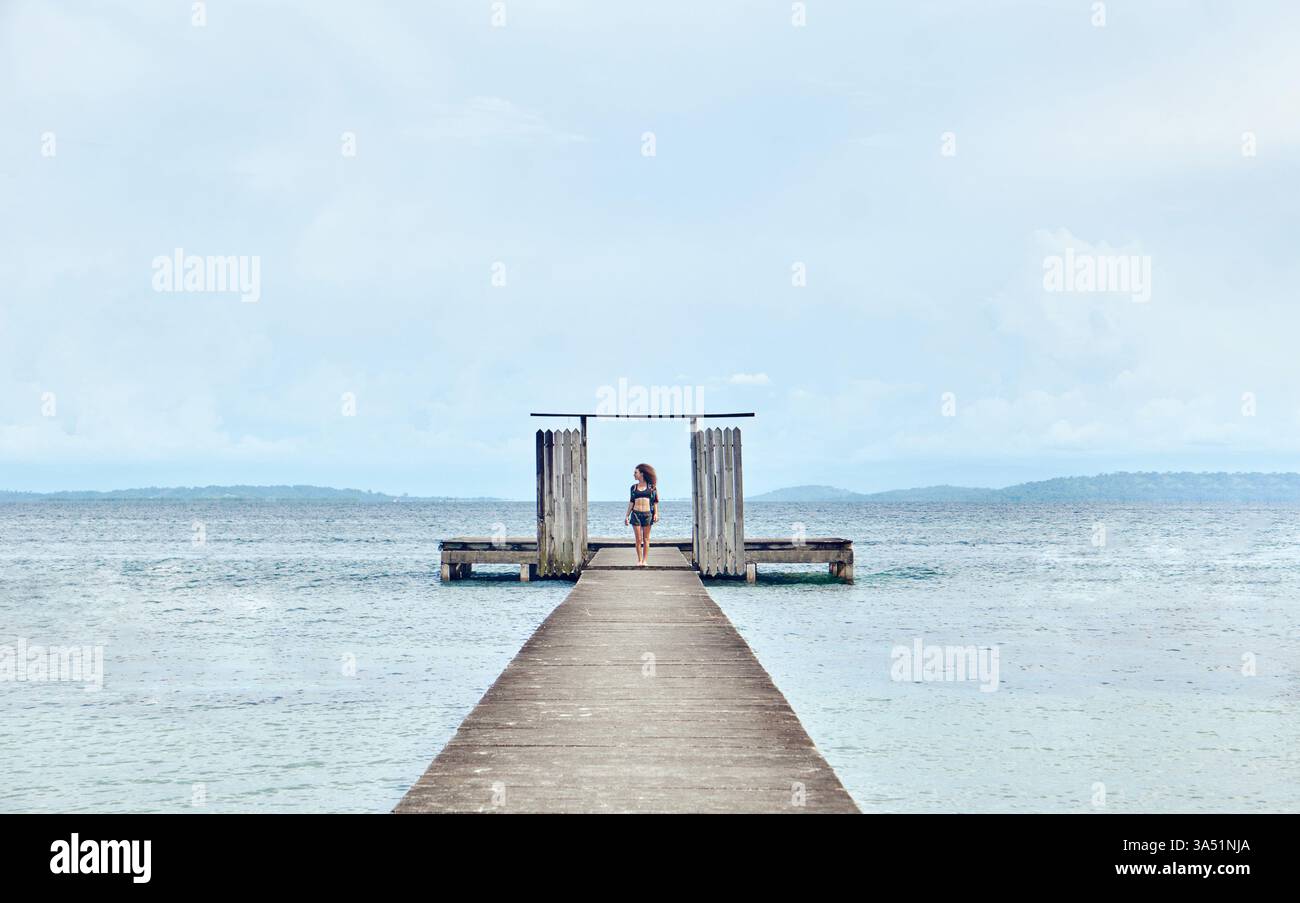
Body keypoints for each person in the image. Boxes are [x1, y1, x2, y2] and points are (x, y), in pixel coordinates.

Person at [623, 463, 659, 566]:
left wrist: (656, 514)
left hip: (648, 514)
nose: (634, 474)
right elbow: (631, 502)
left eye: (635, 473)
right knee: (638, 539)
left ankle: (645, 560)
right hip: (636, 514)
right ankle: (639, 560)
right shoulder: (633, 488)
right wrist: (627, 516)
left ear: (641, 474)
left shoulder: (652, 487)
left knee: (646, 539)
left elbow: (655, 502)